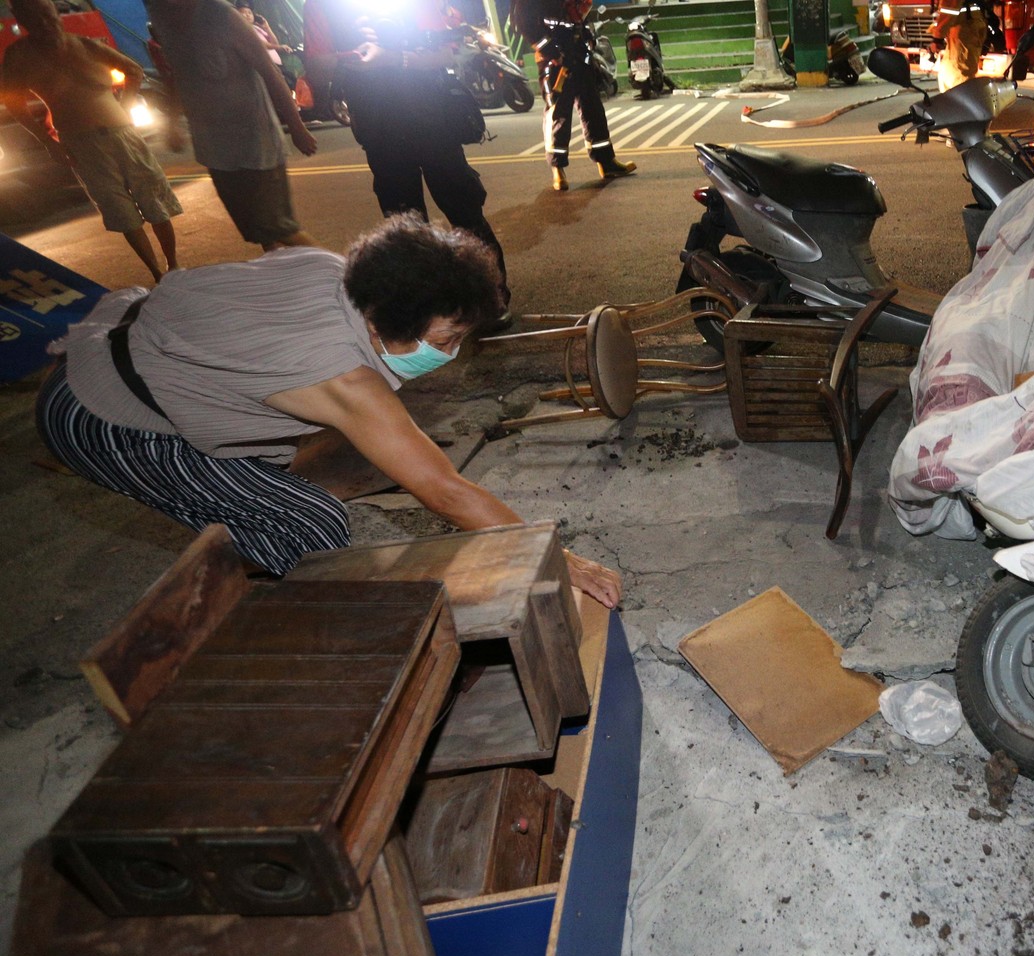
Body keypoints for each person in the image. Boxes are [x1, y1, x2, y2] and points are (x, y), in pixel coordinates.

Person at [34, 214, 622, 607]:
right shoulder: (342, 376)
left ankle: (260, 574)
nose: (451, 354)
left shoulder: (331, 270)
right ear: (387, 322)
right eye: (444, 339)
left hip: (134, 356)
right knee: (311, 524)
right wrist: (555, 555)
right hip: (102, 415)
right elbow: (444, 490)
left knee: (275, 487)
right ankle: (285, 631)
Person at [316, 0, 510, 302]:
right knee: (407, 229)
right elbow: (317, 66)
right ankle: (430, 307)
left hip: (433, 124)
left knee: (464, 211)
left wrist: (393, 58)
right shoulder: (324, 6)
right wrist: (348, 56)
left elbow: (446, 53)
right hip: (381, 132)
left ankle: (491, 297)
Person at [1, 0, 181, 281]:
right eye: (35, 18)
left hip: (123, 133)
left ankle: (173, 265)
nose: (45, 23)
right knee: (120, 210)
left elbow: (133, 70)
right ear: (23, 21)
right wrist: (47, 141)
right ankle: (157, 273)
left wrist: (125, 107)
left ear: (56, 14)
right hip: (80, 144)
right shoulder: (20, 57)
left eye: (48, 15)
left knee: (153, 200)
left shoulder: (86, 45)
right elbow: (14, 103)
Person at [146, 0, 318, 250]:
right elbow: (175, 76)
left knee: (280, 228)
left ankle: (342, 271)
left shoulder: (221, 15)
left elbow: (270, 72)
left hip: (255, 144)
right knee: (259, 232)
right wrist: (172, 124)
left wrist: (297, 127)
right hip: (214, 150)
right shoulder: (163, 20)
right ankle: (284, 271)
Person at [516, 0, 636, 191]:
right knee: (558, 112)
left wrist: (587, 37)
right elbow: (525, 23)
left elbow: (578, 17)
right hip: (555, 61)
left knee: (593, 109)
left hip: (579, 53)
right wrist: (551, 51)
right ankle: (558, 168)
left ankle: (606, 162)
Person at [235, 0, 297, 91]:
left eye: (249, 12)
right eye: (243, 12)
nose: (248, 15)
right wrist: (279, 47)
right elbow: (259, 44)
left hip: (278, 65)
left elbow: (275, 43)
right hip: (269, 67)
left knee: (292, 84)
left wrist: (267, 28)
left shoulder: (257, 28)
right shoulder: (242, 30)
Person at [929, 0, 988, 92]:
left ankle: (960, 98)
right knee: (949, 73)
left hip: (964, 31)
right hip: (964, 29)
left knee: (960, 73)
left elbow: (948, 10)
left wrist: (937, 38)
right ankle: (952, 98)